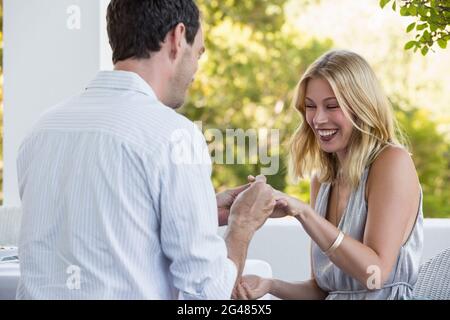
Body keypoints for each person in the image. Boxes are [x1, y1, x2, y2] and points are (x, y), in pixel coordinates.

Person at [16, 0, 277, 299]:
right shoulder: (173, 135)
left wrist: (200, 211)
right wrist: (241, 225)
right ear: (178, 38)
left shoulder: (43, 129)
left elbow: (98, 227)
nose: (195, 70)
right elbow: (210, 294)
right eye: (199, 54)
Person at [234, 50, 423, 300]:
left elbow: (375, 274)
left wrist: (303, 212)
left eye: (332, 106)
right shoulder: (323, 179)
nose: (318, 119)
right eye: (310, 107)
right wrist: (270, 286)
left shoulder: (391, 162)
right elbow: (323, 292)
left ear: (362, 106)